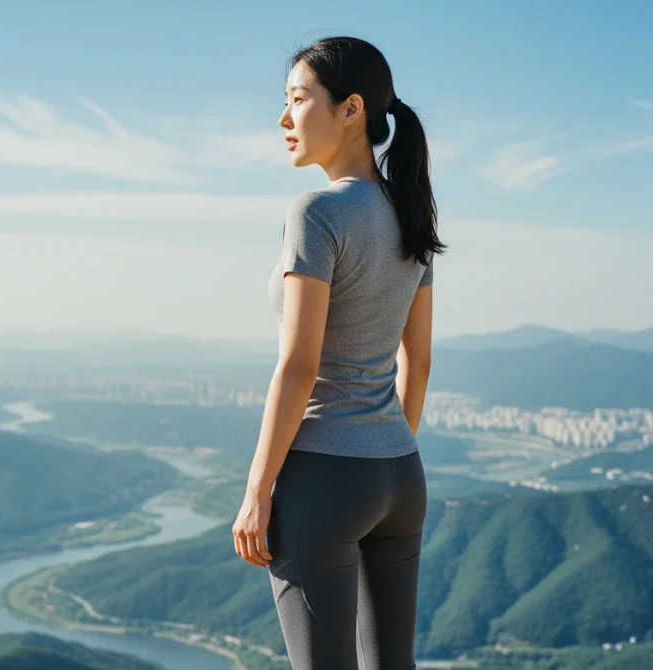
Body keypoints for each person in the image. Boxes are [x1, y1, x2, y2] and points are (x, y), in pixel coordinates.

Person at [231, 36, 446, 669]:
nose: (283, 119)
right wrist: (384, 451)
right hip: (401, 476)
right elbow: (420, 361)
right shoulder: (411, 214)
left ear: (351, 110)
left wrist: (258, 489)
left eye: (298, 99)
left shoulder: (317, 213)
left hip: (324, 478)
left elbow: (299, 366)